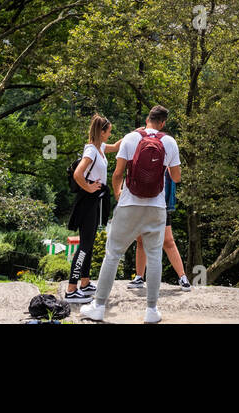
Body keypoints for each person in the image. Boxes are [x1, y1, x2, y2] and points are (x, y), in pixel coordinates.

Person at [81, 105, 181, 324]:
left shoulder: (129, 138)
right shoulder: (170, 142)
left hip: (129, 204)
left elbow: (117, 174)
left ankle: (98, 307)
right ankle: (152, 311)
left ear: (147, 119)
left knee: (113, 253)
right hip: (156, 207)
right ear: (162, 123)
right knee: (154, 257)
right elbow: (176, 177)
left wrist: (118, 193)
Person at [64, 114, 119, 303]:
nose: (110, 134)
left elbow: (117, 146)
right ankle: (71, 288)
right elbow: (79, 173)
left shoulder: (100, 147)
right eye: (109, 131)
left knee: (90, 241)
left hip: (95, 200)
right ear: (101, 132)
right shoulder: (91, 151)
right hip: (88, 200)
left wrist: (137, 134)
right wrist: (88, 187)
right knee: (85, 245)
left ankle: (85, 283)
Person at [130, 171, 191, 292]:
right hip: (142, 198)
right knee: (141, 240)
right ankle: (139, 277)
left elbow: (176, 175)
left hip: (161, 201)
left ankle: (182, 277)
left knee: (168, 241)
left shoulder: (169, 152)